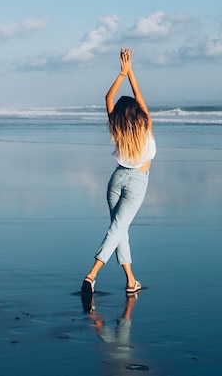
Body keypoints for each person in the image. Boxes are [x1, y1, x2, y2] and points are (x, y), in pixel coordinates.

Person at [81, 47, 155, 295]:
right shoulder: (146, 123)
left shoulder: (116, 127)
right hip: (137, 183)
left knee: (120, 229)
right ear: (136, 113)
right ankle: (91, 275)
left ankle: (131, 281)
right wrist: (131, 73)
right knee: (117, 229)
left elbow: (108, 99)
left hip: (116, 179)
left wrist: (122, 73)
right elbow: (139, 96)